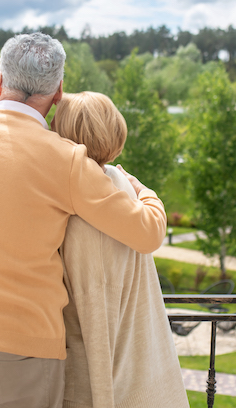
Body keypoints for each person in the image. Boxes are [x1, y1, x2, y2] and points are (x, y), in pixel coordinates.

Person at [0, 32, 167, 408]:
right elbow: (147, 234)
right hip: (26, 354)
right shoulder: (66, 160)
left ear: (0, 81)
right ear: (57, 93)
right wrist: (142, 191)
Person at [53, 92, 189, 408]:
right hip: (139, 372)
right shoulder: (122, 183)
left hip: (95, 383)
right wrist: (146, 191)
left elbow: (95, 305)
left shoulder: (78, 210)